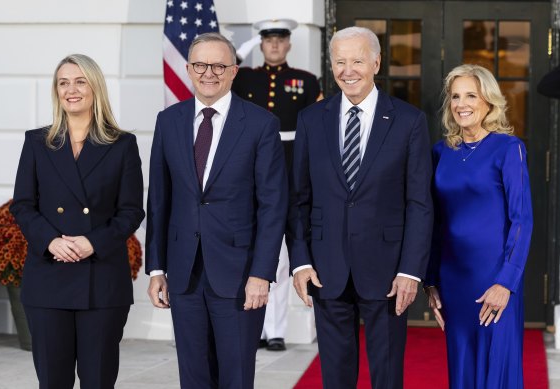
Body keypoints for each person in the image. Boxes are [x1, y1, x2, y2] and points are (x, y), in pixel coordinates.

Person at [287, 26, 433, 388]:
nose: (347, 70)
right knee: (335, 377)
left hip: (388, 272)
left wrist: (411, 271)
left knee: (386, 375)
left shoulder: (409, 121)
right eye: (340, 62)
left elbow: (419, 203)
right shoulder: (310, 120)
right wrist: (301, 262)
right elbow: (298, 198)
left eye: (357, 60)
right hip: (326, 268)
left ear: (376, 62)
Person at [145, 32, 287, 388]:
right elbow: (159, 199)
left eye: (219, 65)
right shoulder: (169, 121)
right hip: (183, 272)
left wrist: (262, 274)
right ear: (189, 69)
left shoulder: (260, 124)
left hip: (240, 275)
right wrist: (157, 268)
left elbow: (272, 206)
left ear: (234, 71)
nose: (209, 73)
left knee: (236, 375)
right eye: (200, 65)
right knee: (193, 375)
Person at [10, 54, 145, 389]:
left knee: (98, 381)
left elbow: (131, 210)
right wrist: (51, 241)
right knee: (52, 382)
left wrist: (92, 242)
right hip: (48, 279)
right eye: (63, 82)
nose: (71, 89)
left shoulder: (122, 144)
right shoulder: (37, 142)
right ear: (56, 91)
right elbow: (23, 205)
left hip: (100, 283)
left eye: (80, 81)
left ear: (94, 87)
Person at [425, 64, 533, 389]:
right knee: (461, 361)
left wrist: (506, 282)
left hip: (495, 276)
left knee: (496, 362)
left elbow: (522, 218)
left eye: (471, 95)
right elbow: (435, 220)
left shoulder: (508, 148)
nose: (462, 104)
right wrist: (430, 281)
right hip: (452, 278)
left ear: (488, 101)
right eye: (455, 96)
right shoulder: (440, 152)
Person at [231, 18, 321, 352]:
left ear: (288, 44)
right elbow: (220, 82)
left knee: (283, 257)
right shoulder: (246, 78)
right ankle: (254, 324)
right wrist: (241, 54)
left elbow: (316, 129)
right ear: (261, 44)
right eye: (267, 40)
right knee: (253, 251)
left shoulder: (306, 81)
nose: (273, 45)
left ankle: (276, 329)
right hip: (251, 171)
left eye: (279, 40)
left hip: (292, 169)